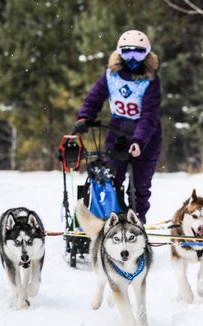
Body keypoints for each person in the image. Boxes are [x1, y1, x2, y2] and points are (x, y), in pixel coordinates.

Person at [73, 30, 161, 224]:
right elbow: (94, 97)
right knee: (112, 179)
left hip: (147, 136)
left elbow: (149, 115)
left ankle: (137, 224)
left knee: (140, 186)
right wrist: (84, 118)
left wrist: (139, 141)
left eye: (137, 53)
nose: (131, 58)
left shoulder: (151, 80)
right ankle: (114, 221)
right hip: (118, 130)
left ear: (147, 55)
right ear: (119, 53)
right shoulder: (111, 75)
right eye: (126, 52)